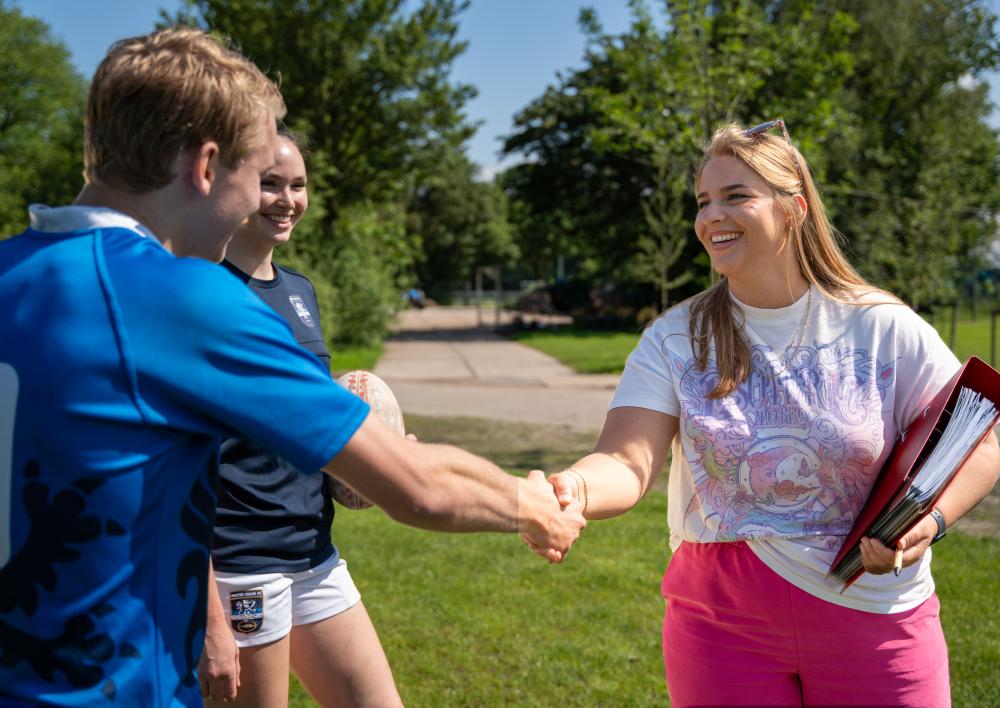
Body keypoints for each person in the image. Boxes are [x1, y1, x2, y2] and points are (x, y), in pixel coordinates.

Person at [0, 28, 583, 706]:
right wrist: (528, 503)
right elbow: (418, 488)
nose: (262, 201)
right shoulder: (180, 298)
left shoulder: (15, 272)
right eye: (257, 175)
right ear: (206, 166)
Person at [543, 120, 1000, 707]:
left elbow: (982, 440)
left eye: (736, 196)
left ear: (794, 209)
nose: (711, 215)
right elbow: (627, 460)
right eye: (704, 200)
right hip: (720, 625)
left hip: (876, 612)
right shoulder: (673, 337)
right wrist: (576, 488)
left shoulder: (883, 326)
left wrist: (929, 524)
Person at [198, 128, 400, 707]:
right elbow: (175, 462)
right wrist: (210, 611)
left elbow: (306, 427)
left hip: (314, 551)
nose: (287, 200)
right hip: (239, 562)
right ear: (233, 184)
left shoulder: (299, 292)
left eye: (299, 185)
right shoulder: (203, 292)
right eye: (269, 184)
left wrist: (378, 456)